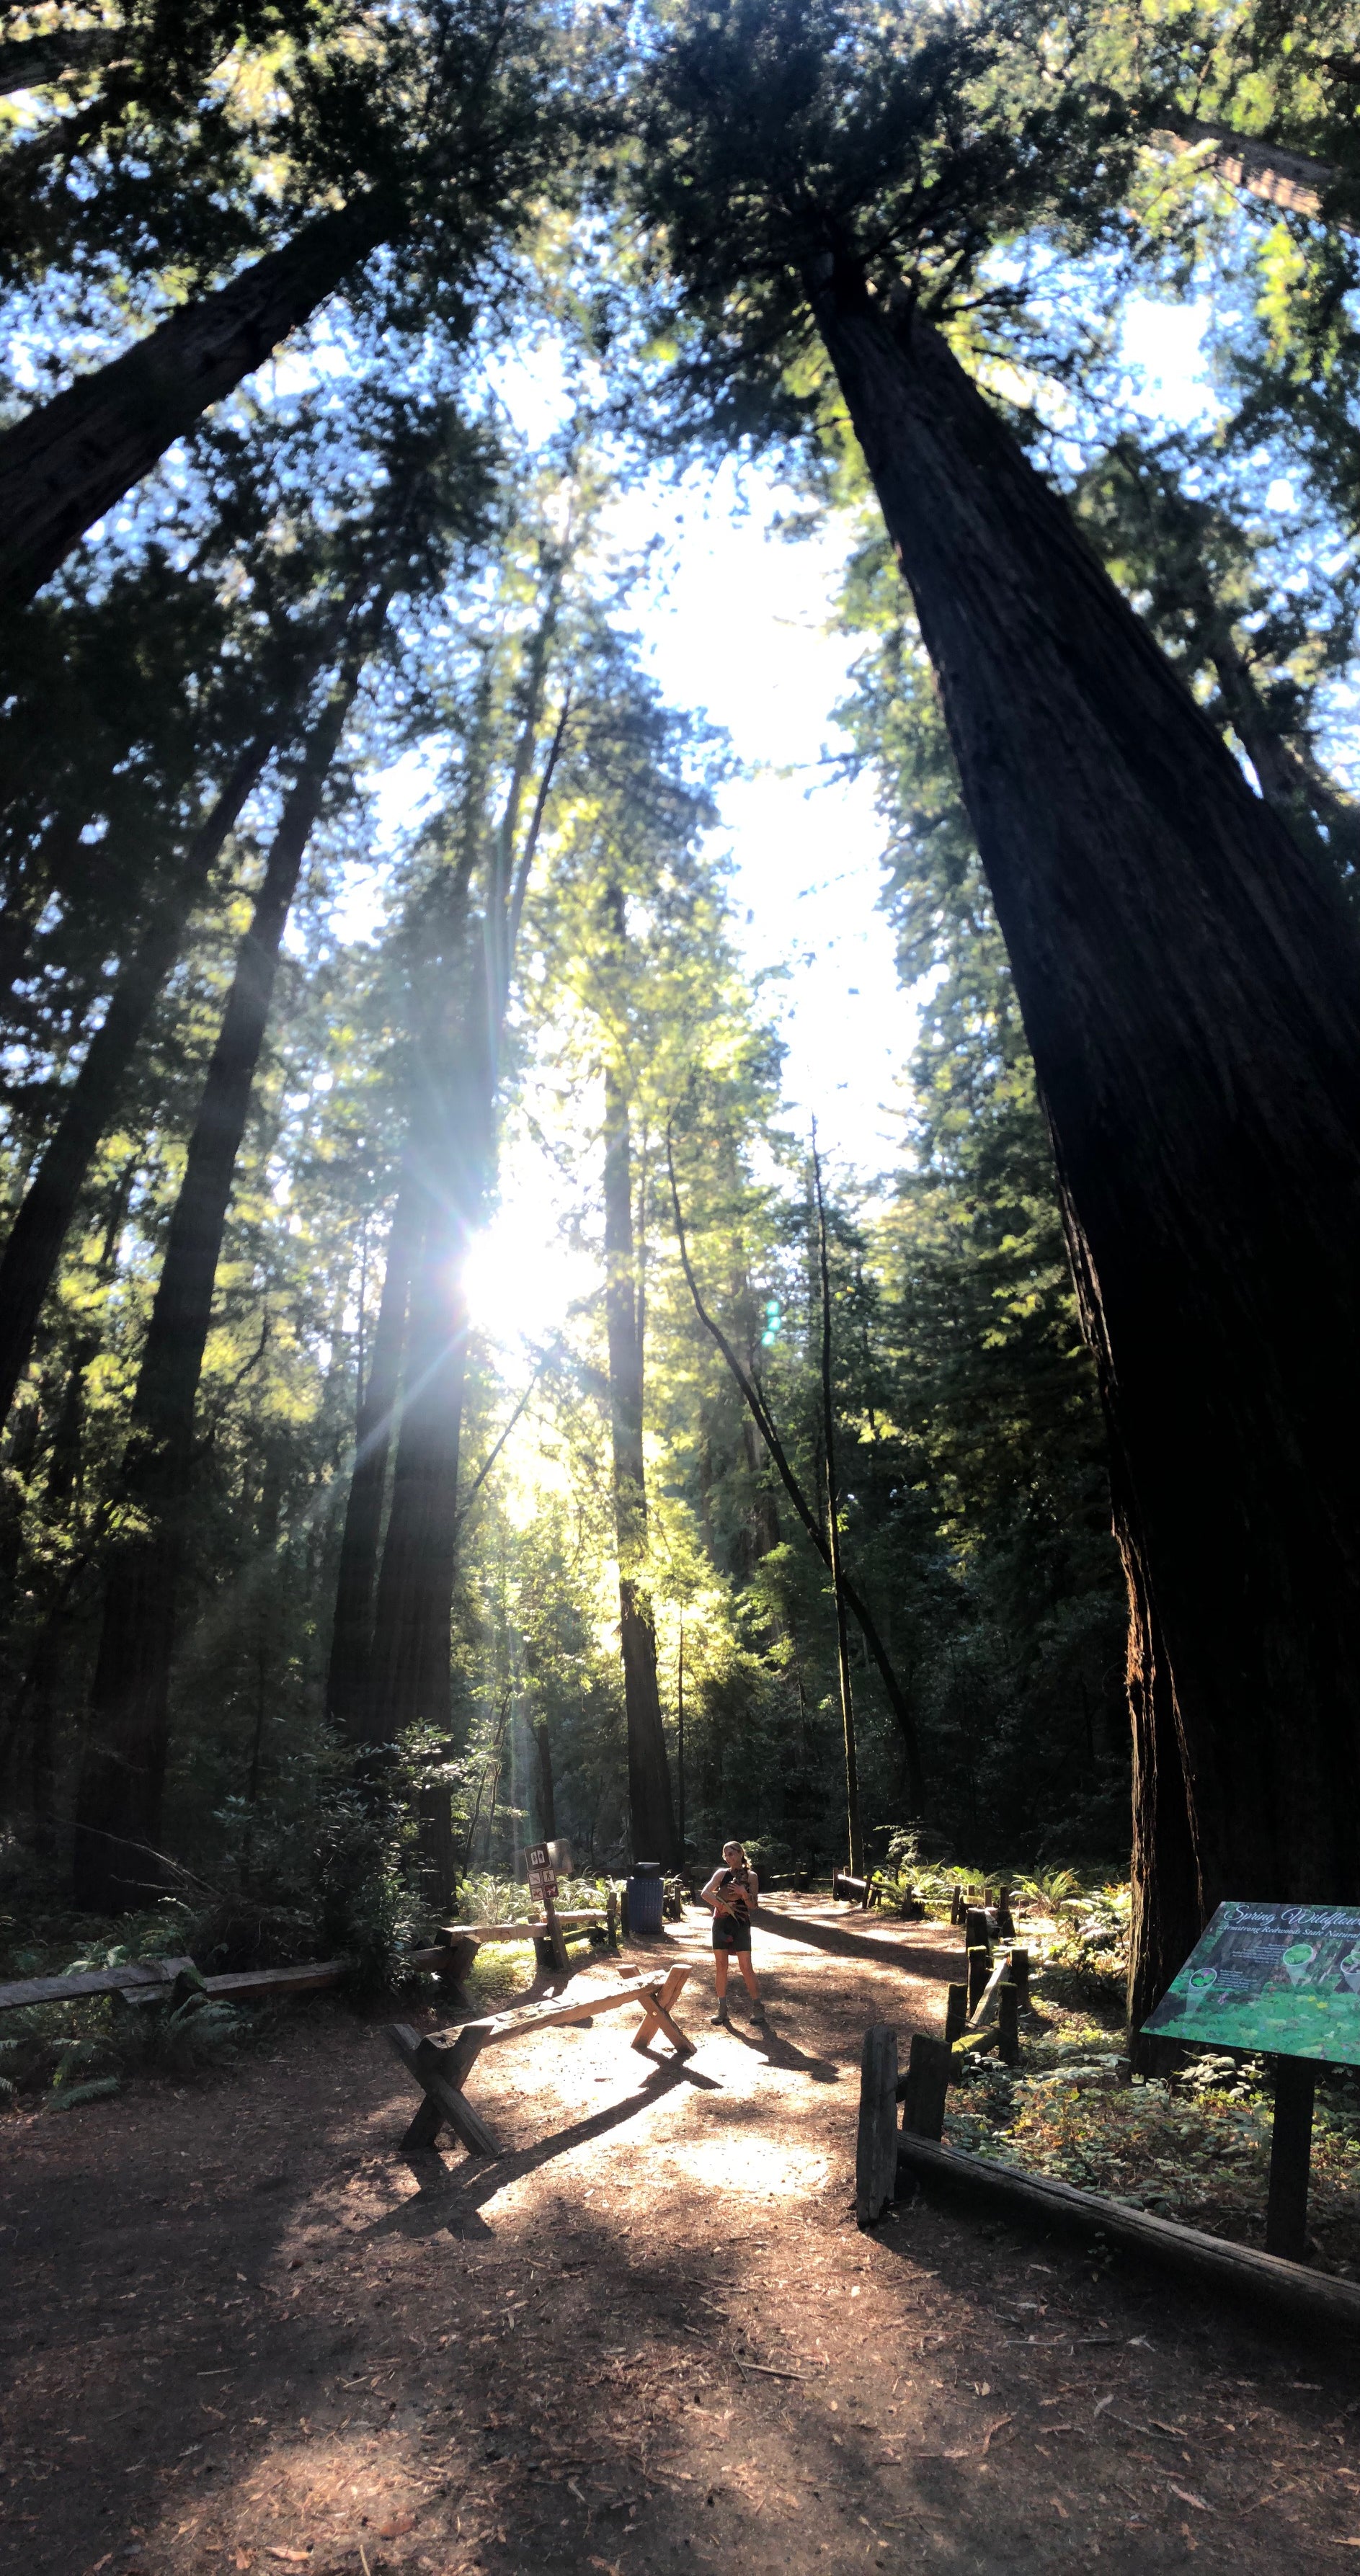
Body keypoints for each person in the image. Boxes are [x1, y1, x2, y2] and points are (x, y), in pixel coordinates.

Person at [701, 1840, 766, 2025]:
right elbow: (705, 1893)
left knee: (746, 1966)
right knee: (721, 1966)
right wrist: (722, 1905)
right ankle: (722, 2010)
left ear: (740, 1854)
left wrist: (742, 1893)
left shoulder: (751, 1876)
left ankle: (757, 2008)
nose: (729, 1858)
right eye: (726, 1855)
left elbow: (753, 1906)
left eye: (732, 1853)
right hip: (721, 1923)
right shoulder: (721, 1874)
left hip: (741, 1923)